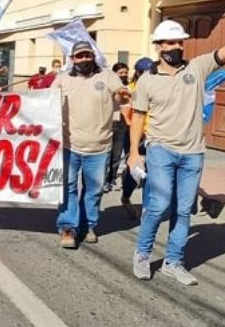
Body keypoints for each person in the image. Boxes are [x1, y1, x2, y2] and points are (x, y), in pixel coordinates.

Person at [130, 12, 225, 285]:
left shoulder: (197, 68)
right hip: (160, 149)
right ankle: (142, 253)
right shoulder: (147, 80)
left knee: (184, 210)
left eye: (180, 43)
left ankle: (174, 262)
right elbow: (138, 117)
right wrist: (134, 153)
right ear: (159, 46)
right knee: (159, 204)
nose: (177, 47)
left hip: (193, 152)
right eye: (171, 43)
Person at [52, 41, 130, 248]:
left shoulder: (107, 76)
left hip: (100, 147)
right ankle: (68, 228)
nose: (84, 59)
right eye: (79, 56)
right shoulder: (62, 79)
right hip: (69, 145)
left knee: (94, 190)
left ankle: (88, 226)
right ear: (72, 59)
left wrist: (122, 94)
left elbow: (120, 92)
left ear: (93, 56)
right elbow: (47, 104)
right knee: (68, 188)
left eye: (87, 55)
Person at [119, 57, 154, 219]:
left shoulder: (156, 87)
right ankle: (126, 196)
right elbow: (127, 116)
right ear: (138, 72)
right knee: (136, 171)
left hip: (154, 137)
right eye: (144, 72)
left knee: (152, 173)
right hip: (136, 136)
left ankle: (148, 208)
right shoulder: (130, 90)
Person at [104, 62, 130, 193]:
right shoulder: (109, 86)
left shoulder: (129, 87)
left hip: (123, 124)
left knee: (117, 154)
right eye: (121, 73)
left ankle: (112, 178)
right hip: (110, 122)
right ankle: (103, 180)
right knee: (106, 154)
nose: (124, 75)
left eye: (126, 72)